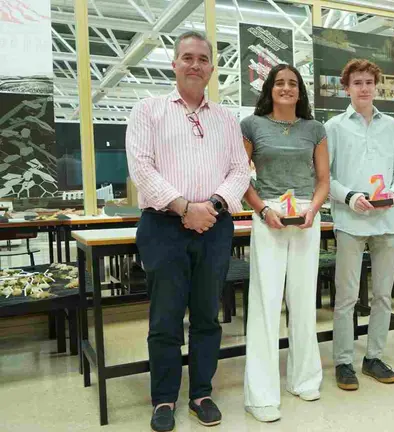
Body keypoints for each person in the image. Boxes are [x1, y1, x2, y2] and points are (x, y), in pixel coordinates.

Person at [125, 31, 250, 432]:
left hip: (214, 226)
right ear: (174, 63)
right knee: (164, 317)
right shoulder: (149, 110)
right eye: (187, 57)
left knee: (206, 316)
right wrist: (184, 208)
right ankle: (163, 399)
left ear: (212, 68)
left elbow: (240, 170)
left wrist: (210, 207)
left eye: (202, 59)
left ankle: (201, 392)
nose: (195, 64)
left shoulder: (226, 118)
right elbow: (142, 168)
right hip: (164, 226)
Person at [240, 64, 330, 422]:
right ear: (269, 88)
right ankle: (260, 394)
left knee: (305, 299)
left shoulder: (316, 129)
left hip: (307, 214)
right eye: (280, 83)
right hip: (270, 215)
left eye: (293, 83)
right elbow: (239, 176)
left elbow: (324, 179)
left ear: (300, 91)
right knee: (266, 303)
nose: (287, 88)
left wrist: (314, 211)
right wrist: (262, 211)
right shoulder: (251, 125)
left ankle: (304, 378)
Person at [326, 59, 394, 391]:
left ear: (377, 86)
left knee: (383, 296)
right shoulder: (333, 126)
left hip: (386, 221)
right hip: (349, 221)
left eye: (369, 82)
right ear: (347, 88)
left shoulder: (391, 127)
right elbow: (325, 177)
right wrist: (348, 196)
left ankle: (373, 356)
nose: (363, 88)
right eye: (357, 83)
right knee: (346, 297)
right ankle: (344, 361)